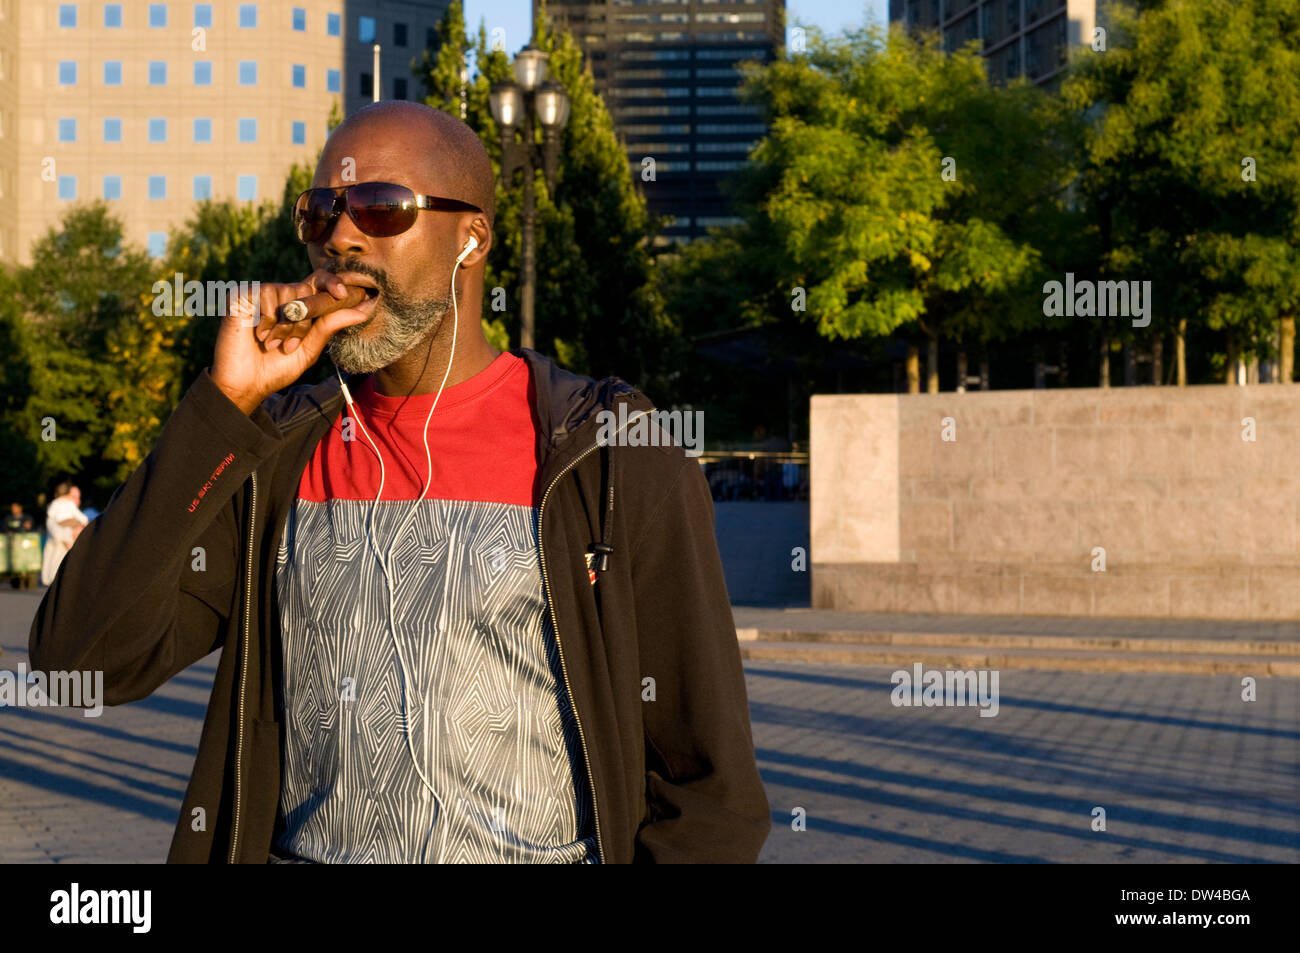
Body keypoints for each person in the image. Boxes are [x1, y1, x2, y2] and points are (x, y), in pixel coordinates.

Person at [29, 101, 770, 864]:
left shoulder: (612, 453)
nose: (341, 238)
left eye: (381, 209)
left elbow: (710, 791)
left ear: (472, 237)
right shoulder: (277, 451)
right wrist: (222, 412)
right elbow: (78, 662)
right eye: (320, 214)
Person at [40, 483, 87, 586]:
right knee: (59, 560)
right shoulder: (70, 505)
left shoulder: (54, 504)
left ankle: (50, 579)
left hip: (59, 534)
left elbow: (51, 515)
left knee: (52, 560)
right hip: (66, 534)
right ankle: (56, 579)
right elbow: (83, 518)